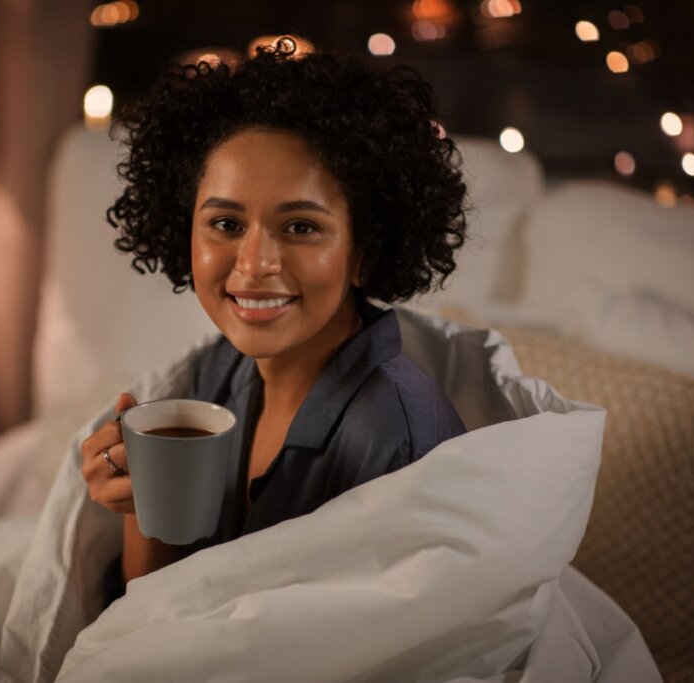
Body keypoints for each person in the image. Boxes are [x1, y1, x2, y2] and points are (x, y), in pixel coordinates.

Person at [81, 39, 469, 595]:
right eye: (226, 224)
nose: (256, 264)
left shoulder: (394, 442)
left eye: (301, 227)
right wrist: (141, 504)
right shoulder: (216, 374)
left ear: (364, 250)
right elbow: (150, 616)